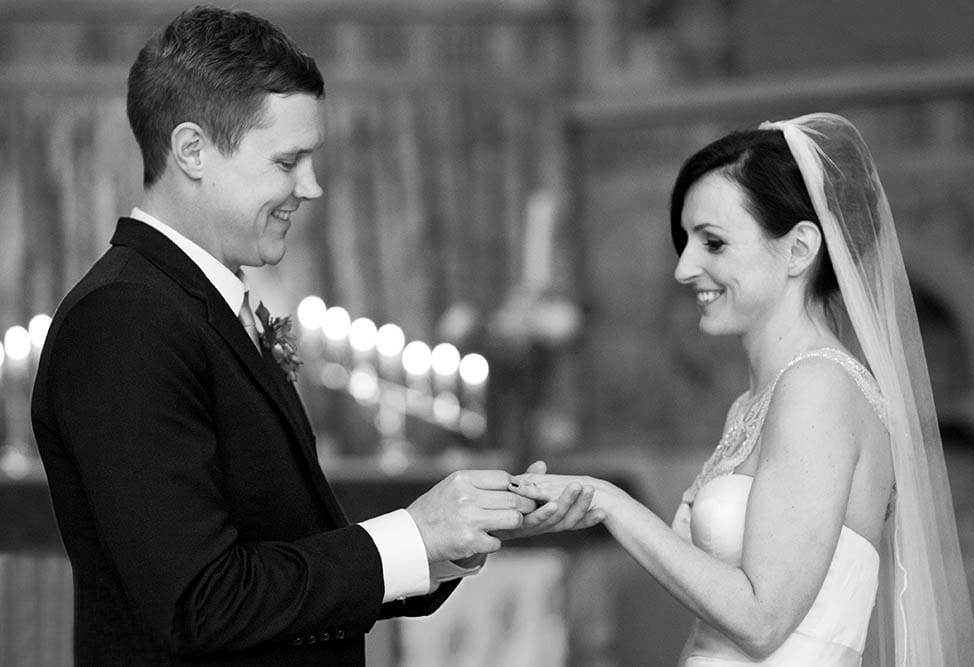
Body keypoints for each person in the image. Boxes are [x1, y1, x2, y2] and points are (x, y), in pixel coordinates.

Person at [30, 7, 596, 665]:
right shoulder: (125, 318)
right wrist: (415, 534)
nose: (312, 186)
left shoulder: (191, 305)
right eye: (288, 161)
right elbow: (198, 602)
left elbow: (288, 550)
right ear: (192, 151)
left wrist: (454, 535)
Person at [510, 113, 974, 665]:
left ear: (799, 249)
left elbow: (762, 622)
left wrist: (612, 502)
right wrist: (579, 507)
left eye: (712, 243)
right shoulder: (756, 401)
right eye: (685, 241)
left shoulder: (819, 388)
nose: (684, 268)